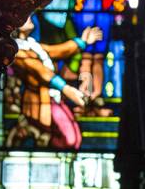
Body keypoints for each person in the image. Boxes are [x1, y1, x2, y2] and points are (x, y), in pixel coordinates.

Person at [8, 19, 103, 151]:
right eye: (24, 16)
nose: (29, 17)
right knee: (69, 140)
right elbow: (41, 71)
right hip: (40, 102)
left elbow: (59, 51)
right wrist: (65, 88)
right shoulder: (17, 51)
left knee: (75, 138)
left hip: (53, 99)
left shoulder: (32, 44)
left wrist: (82, 41)